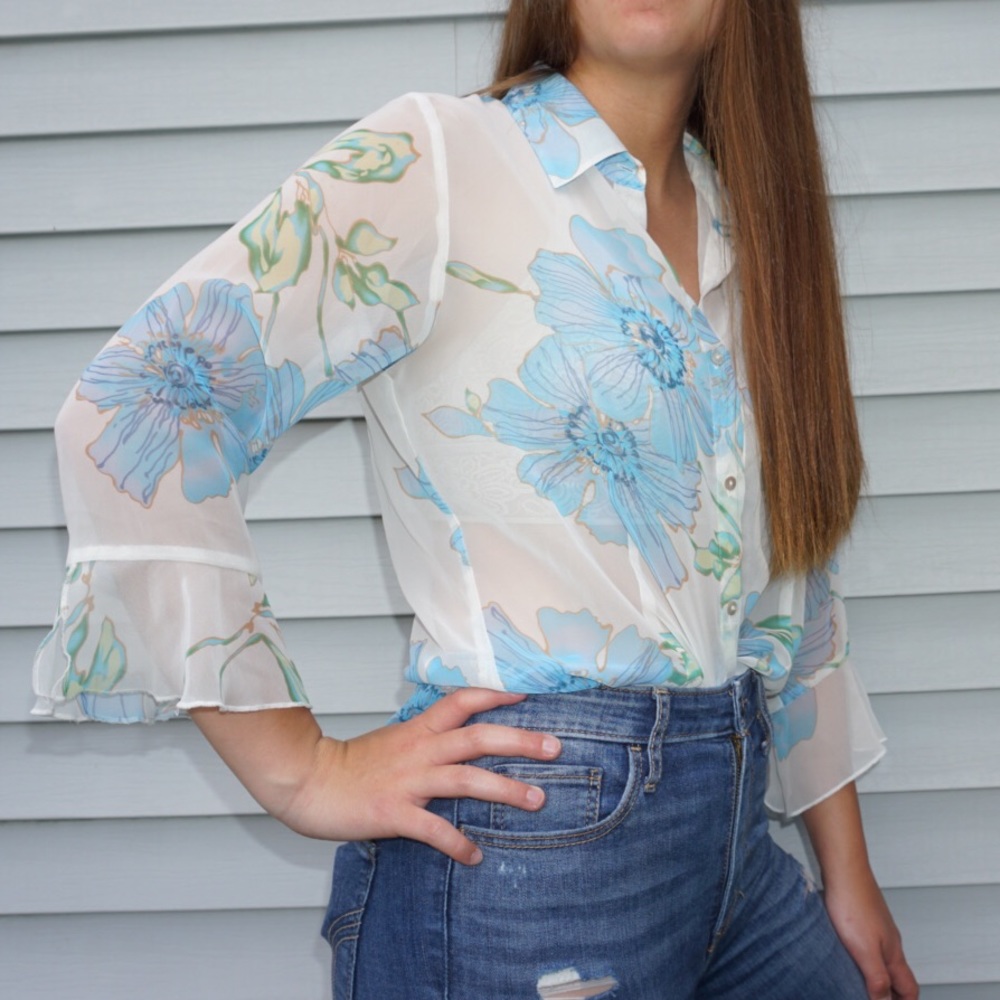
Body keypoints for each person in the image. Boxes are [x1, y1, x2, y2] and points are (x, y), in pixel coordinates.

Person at [33, 1, 919, 997]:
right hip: (531, 858)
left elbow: (792, 584)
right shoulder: (441, 164)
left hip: (740, 855)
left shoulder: (748, 222)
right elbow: (134, 409)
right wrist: (306, 770)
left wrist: (847, 873)